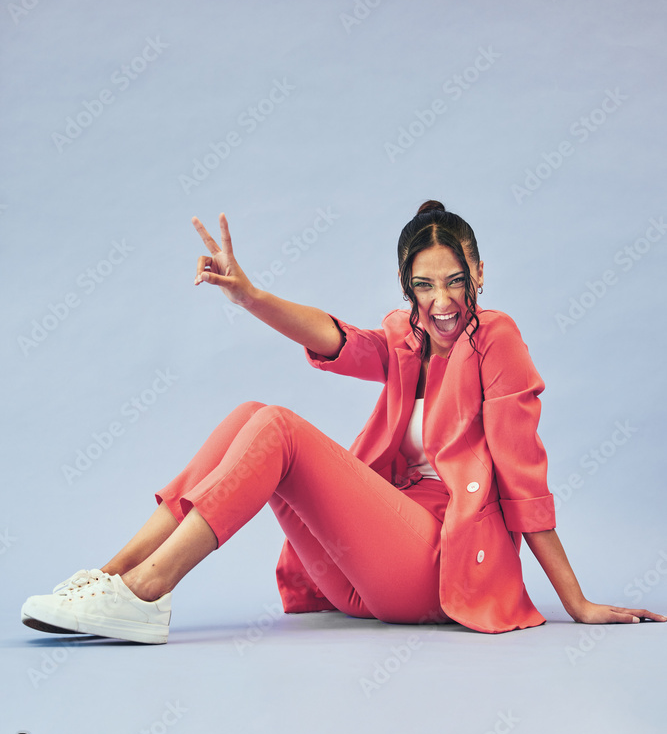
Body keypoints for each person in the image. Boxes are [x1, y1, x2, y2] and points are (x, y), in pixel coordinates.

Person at [21, 201, 666, 643]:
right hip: (362, 575)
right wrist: (249, 297)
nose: (441, 303)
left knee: (274, 426)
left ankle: (148, 590)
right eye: (423, 286)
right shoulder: (406, 339)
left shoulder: (497, 341)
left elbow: (524, 485)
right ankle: (109, 579)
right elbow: (336, 339)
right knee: (250, 414)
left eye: (455, 282)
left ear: (476, 276)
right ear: (405, 285)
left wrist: (576, 603)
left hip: (436, 569)